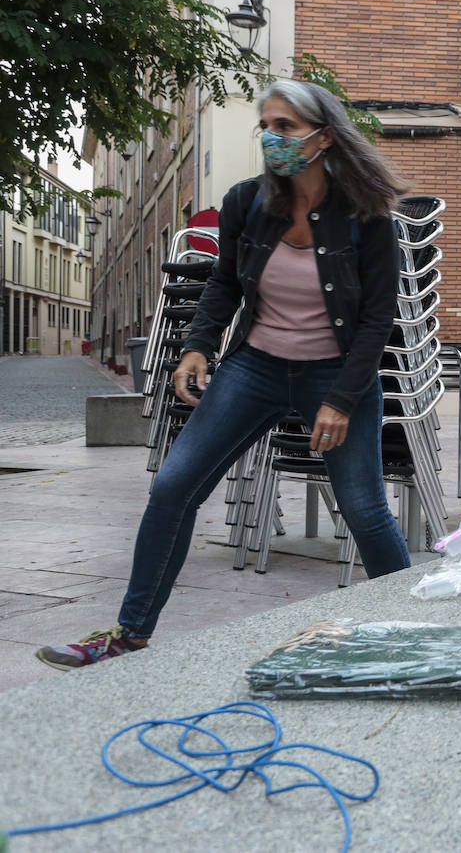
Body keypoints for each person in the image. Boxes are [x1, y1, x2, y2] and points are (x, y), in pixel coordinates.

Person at [37, 78, 413, 670]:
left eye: (285, 126)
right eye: (266, 126)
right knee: (173, 488)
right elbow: (226, 281)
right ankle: (129, 633)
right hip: (256, 366)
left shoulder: (367, 218)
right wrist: (198, 346)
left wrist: (342, 399)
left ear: (323, 136)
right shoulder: (248, 203)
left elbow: (377, 320)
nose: (272, 138)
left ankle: (415, 636)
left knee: (364, 509)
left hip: (337, 375)